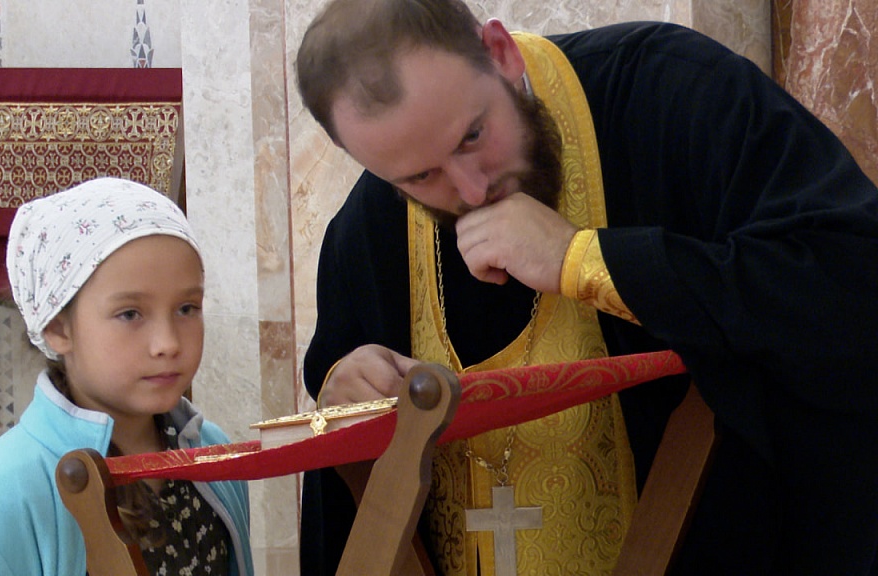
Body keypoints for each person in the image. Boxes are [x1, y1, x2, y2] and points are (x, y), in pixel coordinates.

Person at [295, 1, 878, 575]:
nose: (471, 191)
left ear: (499, 52)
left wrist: (584, 258)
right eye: (421, 177)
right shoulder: (367, 230)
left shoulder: (671, 91)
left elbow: (846, 280)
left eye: (472, 136)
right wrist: (346, 396)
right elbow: (342, 472)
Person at [0, 178, 254, 576]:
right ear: (58, 327)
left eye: (186, 308)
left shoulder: (213, 456)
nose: (167, 343)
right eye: (130, 314)